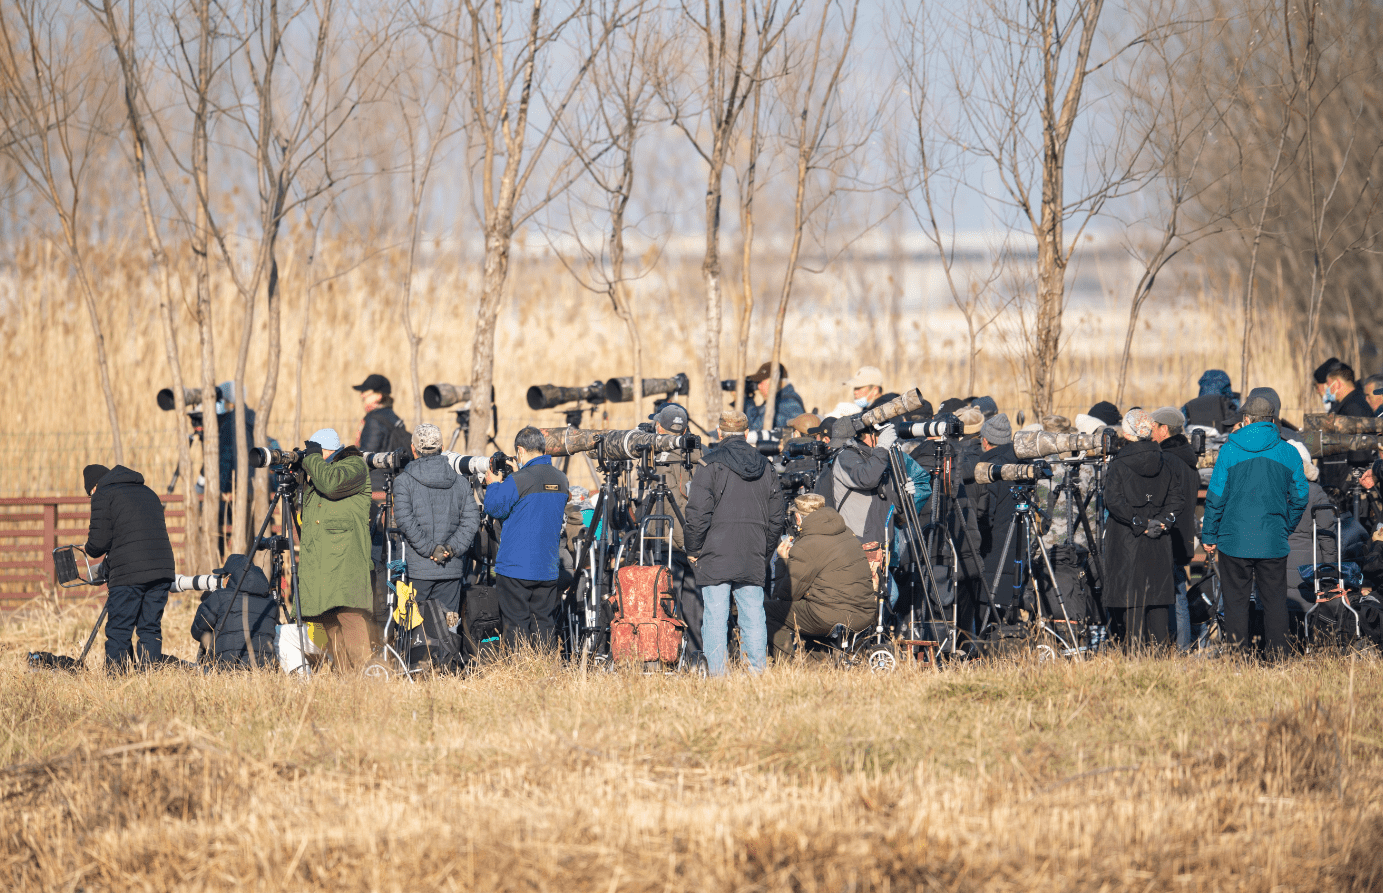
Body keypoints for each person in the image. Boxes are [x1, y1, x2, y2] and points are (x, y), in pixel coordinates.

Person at [1201, 394, 1308, 658]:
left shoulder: (1229, 450)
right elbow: (1300, 496)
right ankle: (1279, 659)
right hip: (1272, 538)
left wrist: (1209, 534)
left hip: (1233, 539)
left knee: (1235, 602)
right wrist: (1286, 526)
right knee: (1275, 602)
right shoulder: (1288, 451)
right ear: (1272, 420)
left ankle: (1238, 660)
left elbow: (1215, 497)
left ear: (1246, 420)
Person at [684, 410, 785, 675]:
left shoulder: (708, 465)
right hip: (752, 549)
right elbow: (777, 517)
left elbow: (696, 513)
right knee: (753, 616)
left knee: (715, 618)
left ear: (719, 433)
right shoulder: (767, 466)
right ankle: (756, 674)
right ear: (747, 433)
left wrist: (693, 548)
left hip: (715, 551)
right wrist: (764, 550)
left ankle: (717, 677)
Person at [1103, 410, 1185, 648]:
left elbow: (1114, 502)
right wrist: (1162, 522)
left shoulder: (1119, 464)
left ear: (1127, 433)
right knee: (1158, 606)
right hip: (1159, 541)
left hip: (1128, 542)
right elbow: (1177, 499)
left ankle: (1136, 665)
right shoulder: (1165, 461)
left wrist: (1139, 523)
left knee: (1133, 606)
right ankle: (1160, 664)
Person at [483, 426, 570, 650]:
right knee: (544, 623)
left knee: (516, 625)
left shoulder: (519, 479)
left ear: (520, 450)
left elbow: (494, 508)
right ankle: (544, 666)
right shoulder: (561, 479)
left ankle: (520, 670)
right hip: (548, 567)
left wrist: (493, 484)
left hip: (515, 567)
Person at [83, 464, 176, 671]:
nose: (92, 497)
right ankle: (150, 679)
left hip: (128, 574)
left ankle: (117, 681)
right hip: (163, 569)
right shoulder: (148, 492)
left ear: (95, 486)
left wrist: (87, 548)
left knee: (119, 629)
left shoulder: (104, 494)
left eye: (90, 494)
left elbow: (98, 544)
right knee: (150, 628)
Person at [298, 428, 375, 672]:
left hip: (346, 559)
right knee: (328, 618)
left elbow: (331, 484)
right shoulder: (319, 473)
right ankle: (345, 677)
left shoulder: (354, 465)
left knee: (349, 616)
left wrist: (311, 460)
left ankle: (368, 674)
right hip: (323, 561)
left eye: (316, 453)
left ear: (327, 451)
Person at [764, 494, 876, 659]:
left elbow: (788, 594)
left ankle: (789, 666)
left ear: (798, 518)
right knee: (812, 607)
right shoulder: (846, 532)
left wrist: (784, 562)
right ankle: (820, 663)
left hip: (830, 616)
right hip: (864, 615)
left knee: (768, 611)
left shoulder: (807, 544)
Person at [393, 423, 481, 616]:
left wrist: (430, 549)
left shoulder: (403, 482)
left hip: (416, 570)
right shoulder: (460, 482)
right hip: (450, 569)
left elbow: (405, 520)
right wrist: (449, 549)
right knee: (447, 628)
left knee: (413, 627)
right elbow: (471, 520)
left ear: (413, 449)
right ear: (442, 448)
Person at [648, 403, 704, 656]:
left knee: (668, 602)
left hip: (671, 542)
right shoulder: (700, 457)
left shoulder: (661, 462)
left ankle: (668, 654)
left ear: (660, 427)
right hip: (697, 543)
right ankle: (695, 656)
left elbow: (671, 506)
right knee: (695, 606)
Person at [1150, 406, 1202, 650]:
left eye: (1152, 428)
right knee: (1178, 590)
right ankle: (1182, 648)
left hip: (1167, 534)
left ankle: (1176, 648)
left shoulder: (1167, 459)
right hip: (1182, 535)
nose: (1150, 433)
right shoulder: (1188, 458)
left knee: (1172, 594)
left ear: (1163, 429)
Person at [189, 553, 277, 668]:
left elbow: (198, 632)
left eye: (223, 576)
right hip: (264, 669)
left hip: (228, 668)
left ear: (229, 577)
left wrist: (206, 602)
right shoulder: (271, 602)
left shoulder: (220, 597)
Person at [353, 373, 409, 491]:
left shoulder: (373, 419)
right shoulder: (395, 418)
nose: (362, 395)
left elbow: (366, 454)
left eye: (366, 392)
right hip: (393, 481)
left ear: (378, 396)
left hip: (374, 484)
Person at [744, 362, 807, 431]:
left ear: (776, 382)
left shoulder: (788, 403)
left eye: (761, 382)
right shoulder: (777, 402)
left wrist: (747, 401)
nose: (759, 386)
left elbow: (755, 428)